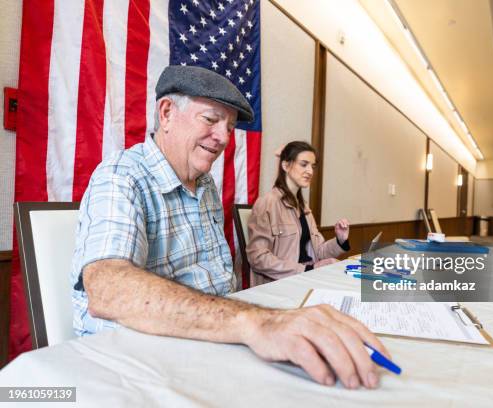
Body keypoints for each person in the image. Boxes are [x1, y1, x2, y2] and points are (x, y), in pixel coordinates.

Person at [70, 65, 389, 389]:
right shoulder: (121, 175)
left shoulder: (205, 185)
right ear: (166, 113)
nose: (224, 137)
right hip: (134, 368)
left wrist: (257, 326)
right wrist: (253, 322)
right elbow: (108, 290)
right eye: (210, 119)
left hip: (209, 347)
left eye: (230, 126)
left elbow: (218, 289)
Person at [247, 142, 350, 286]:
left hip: (305, 278)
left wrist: (340, 240)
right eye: (304, 164)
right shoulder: (267, 203)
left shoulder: (304, 207)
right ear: (285, 166)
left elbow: (319, 252)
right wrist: (308, 269)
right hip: (280, 285)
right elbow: (258, 258)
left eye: (312, 166)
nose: (310, 171)